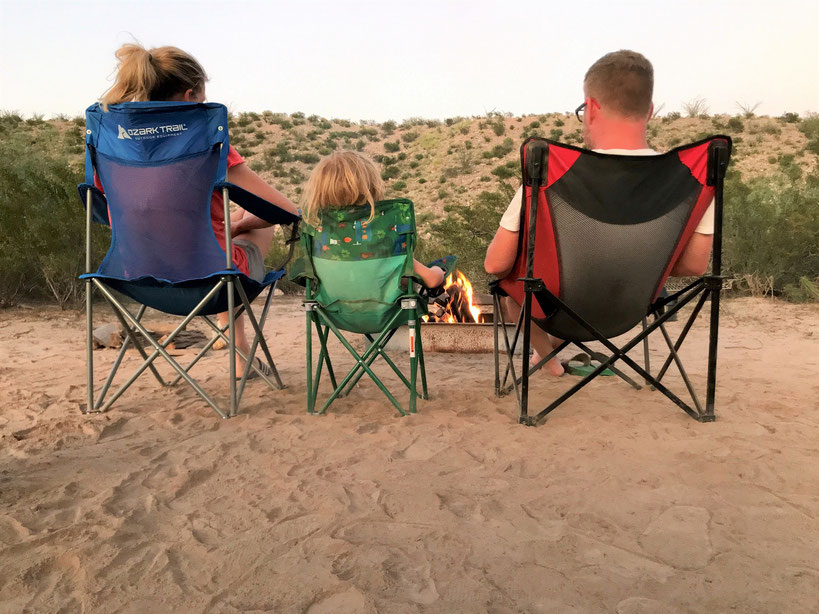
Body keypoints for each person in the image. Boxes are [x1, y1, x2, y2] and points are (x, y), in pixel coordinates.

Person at [484, 49, 715, 376]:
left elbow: (495, 264)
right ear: (649, 111)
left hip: (560, 314)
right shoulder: (690, 180)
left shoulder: (553, 176)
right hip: (631, 312)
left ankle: (548, 359)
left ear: (591, 108)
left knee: (511, 289)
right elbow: (693, 265)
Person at [100, 43, 299, 375]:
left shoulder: (113, 145)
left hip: (138, 279)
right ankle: (240, 357)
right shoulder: (209, 144)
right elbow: (286, 210)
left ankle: (226, 235)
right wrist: (241, 223)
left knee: (223, 238)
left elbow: (110, 216)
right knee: (251, 232)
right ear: (191, 95)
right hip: (210, 281)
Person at [301, 151, 445, 289]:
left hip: (332, 313)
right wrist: (438, 270)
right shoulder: (383, 238)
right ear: (373, 188)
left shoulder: (319, 239)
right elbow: (432, 280)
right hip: (388, 314)